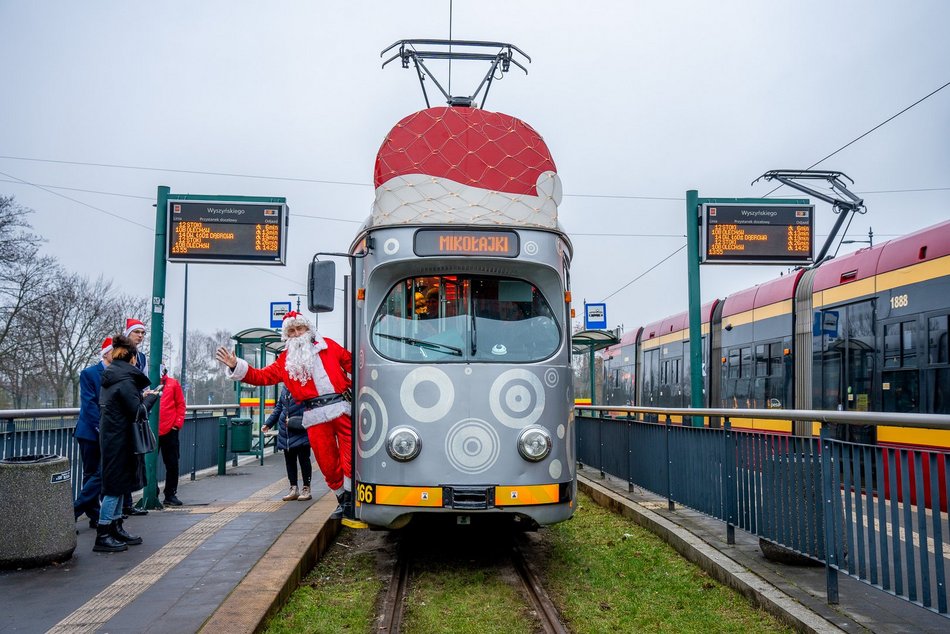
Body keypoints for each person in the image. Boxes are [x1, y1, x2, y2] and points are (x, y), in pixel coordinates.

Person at [215, 311, 363, 526]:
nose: (296, 334)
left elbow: (355, 368)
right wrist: (235, 365)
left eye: (299, 329)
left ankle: (351, 500)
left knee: (351, 456)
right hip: (314, 415)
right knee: (326, 462)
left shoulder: (329, 346)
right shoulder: (286, 360)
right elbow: (262, 377)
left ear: (308, 329)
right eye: (291, 331)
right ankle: (342, 498)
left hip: (342, 408)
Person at [95, 334, 162, 553]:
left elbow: (125, 406)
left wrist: (142, 398)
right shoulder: (124, 380)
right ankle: (103, 533)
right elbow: (136, 411)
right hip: (119, 439)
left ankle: (116, 527)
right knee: (114, 487)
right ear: (132, 357)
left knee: (119, 484)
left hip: (114, 436)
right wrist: (150, 398)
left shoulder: (113, 377)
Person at [73, 337, 113, 529]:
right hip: (90, 432)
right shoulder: (89, 373)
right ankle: (92, 514)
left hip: (105, 432)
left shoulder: (115, 373)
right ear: (106, 353)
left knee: (99, 474)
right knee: (92, 474)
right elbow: (89, 405)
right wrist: (101, 429)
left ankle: (79, 511)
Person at [263, 386, 312, 502]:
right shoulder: (285, 387)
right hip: (286, 432)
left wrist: (300, 420)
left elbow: (312, 407)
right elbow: (279, 407)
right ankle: (293, 488)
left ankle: (306, 488)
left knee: (304, 460)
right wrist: (268, 423)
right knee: (290, 461)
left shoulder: (305, 385)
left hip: (300, 428)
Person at [121, 317, 149, 516]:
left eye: (142, 333)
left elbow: (144, 382)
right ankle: (108, 512)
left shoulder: (143, 358)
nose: (140, 336)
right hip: (122, 413)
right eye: (136, 332)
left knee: (132, 459)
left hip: (134, 412)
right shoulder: (119, 355)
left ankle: (127, 503)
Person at [158, 364, 186, 506]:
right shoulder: (145, 384)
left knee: (172, 463)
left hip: (170, 430)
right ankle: (152, 491)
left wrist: (177, 424)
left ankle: (170, 494)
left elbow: (180, 404)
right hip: (151, 430)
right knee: (146, 463)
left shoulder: (172, 384)